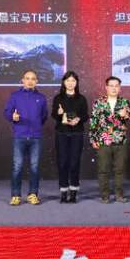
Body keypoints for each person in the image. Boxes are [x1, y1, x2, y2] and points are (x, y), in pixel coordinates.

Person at [3, 69, 48, 206]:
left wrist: (36, 126)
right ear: (22, 80)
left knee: (35, 167)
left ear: (36, 81)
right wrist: (13, 117)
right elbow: (7, 113)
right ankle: (15, 195)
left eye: (33, 79)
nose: (30, 81)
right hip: (19, 136)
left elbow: (44, 116)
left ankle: (33, 194)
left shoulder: (41, 98)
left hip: (36, 137)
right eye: (27, 78)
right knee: (17, 167)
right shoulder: (15, 96)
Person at [89, 76, 130, 203]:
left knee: (119, 169)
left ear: (119, 88)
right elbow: (93, 121)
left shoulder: (124, 102)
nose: (114, 88)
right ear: (106, 87)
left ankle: (119, 194)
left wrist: (126, 115)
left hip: (120, 140)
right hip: (104, 140)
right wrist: (93, 139)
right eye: (111, 86)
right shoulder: (99, 102)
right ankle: (105, 195)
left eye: (116, 86)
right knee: (103, 169)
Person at [51, 71, 89, 203]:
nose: (70, 83)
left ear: (76, 83)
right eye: (68, 80)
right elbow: (54, 115)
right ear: (64, 82)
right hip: (61, 133)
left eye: (73, 80)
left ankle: (73, 191)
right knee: (62, 162)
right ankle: (63, 191)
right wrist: (59, 113)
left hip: (77, 134)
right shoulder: (58, 98)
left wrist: (78, 119)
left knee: (74, 162)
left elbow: (85, 116)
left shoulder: (81, 98)